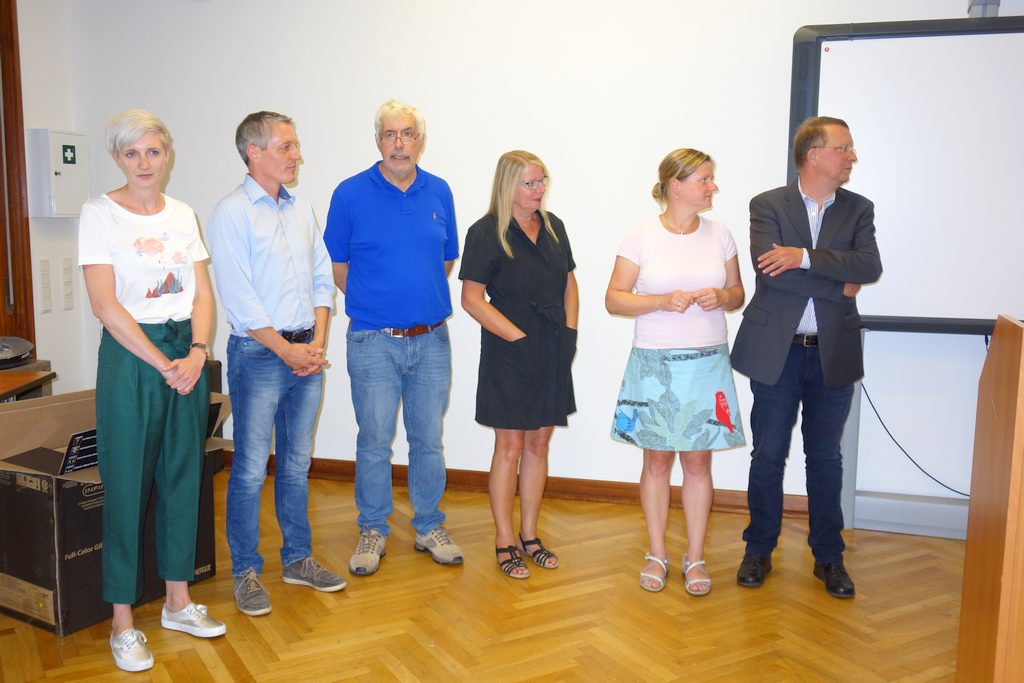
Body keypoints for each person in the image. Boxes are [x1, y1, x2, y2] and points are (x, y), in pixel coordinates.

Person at [80, 109, 225, 672]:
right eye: (131, 153)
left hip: (186, 352)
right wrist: (164, 362)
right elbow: (104, 303)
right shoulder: (99, 213)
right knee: (127, 485)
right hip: (132, 357)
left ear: (167, 155)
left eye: (153, 151)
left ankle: (177, 602)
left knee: (183, 476)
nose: (144, 163)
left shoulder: (183, 214)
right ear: (117, 158)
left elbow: (202, 294)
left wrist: (198, 353)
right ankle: (122, 621)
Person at [730, 116, 882, 599]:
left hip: (832, 352)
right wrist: (839, 283)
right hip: (778, 352)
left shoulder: (858, 209)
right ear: (814, 155)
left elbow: (869, 266)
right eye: (844, 148)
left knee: (826, 458)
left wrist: (805, 256)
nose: (852, 157)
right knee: (768, 454)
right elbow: (770, 274)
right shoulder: (768, 204)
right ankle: (759, 549)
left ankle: (828, 557)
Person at [206, 111, 345, 617]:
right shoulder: (231, 213)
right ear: (254, 152)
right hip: (260, 357)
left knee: (296, 463)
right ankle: (245, 571)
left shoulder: (300, 208)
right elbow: (240, 300)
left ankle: (297, 559)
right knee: (248, 469)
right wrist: (287, 351)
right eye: (286, 147)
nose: (296, 155)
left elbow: (322, 277)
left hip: (306, 351)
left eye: (295, 146)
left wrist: (317, 340)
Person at [324, 99, 463, 576]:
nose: (399, 143)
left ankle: (429, 526)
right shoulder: (349, 194)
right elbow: (337, 266)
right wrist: (379, 304)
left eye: (407, 134)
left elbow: (446, 260)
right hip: (372, 340)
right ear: (377, 141)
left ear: (420, 141)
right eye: (390, 134)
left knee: (428, 440)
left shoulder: (439, 191)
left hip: (431, 340)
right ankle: (372, 529)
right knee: (374, 441)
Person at [605, 148, 746, 596]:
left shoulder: (720, 234)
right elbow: (614, 299)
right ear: (675, 186)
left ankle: (696, 557)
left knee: (699, 461)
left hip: (706, 363)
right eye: (704, 179)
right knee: (657, 460)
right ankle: (656, 553)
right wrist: (662, 302)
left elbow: (738, 293)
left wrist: (721, 297)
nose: (712, 186)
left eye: (711, 178)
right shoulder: (640, 237)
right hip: (655, 365)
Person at [459, 151, 579, 579]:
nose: (539, 189)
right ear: (508, 185)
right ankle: (505, 539)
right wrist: (519, 339)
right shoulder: (485, 232)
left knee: (539, 445)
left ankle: (530, 536)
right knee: (509, 448)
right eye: (530, 183)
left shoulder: (553, 226)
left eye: (542, 180)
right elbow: (471, 299)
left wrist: (570, 333)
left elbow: (569, 283)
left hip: (552, 345)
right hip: (508, 350)